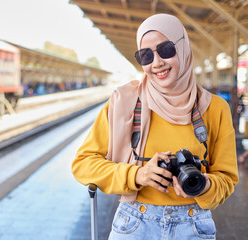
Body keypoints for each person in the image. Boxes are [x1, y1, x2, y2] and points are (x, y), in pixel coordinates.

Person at [71, 14, 239, 239]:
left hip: (194, 225)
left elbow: (227, 178)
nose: (157, 62)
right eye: (146, 55)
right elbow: (83, 164)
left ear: (183, 47)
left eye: (166, 49)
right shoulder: (124, 101)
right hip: (133, 224)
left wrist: (206, 186)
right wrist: (137, 175)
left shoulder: (215, 108)